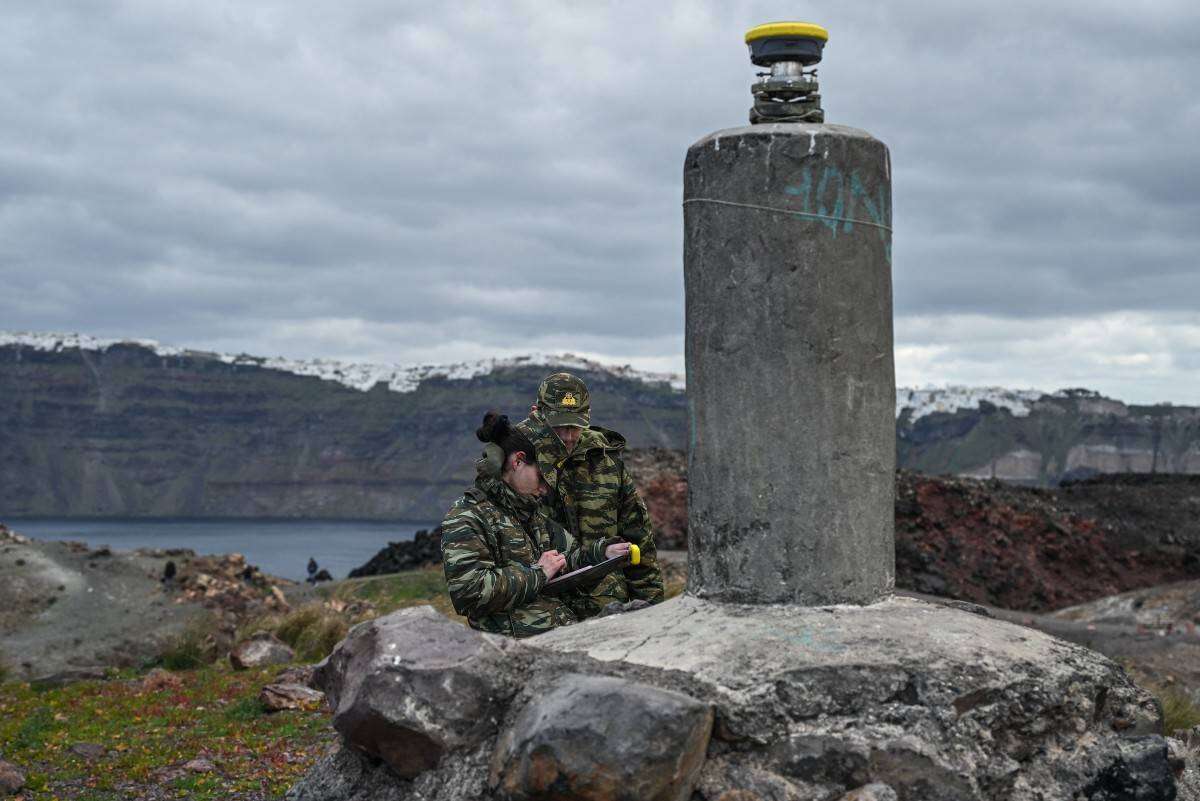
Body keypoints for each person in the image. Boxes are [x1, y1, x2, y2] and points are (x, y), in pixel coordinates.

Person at [441, 410, 631, 637]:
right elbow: (469, 593)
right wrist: (538, 573)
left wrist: (603, 553)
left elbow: (568, 558)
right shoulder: (467, 516)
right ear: (518, 461)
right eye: (541, 478)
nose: (544, 489)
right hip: (514, 650)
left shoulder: (530, 513)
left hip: (561, 636)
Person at [516, 372, 664, 617]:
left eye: (575, 426)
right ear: (537, 413)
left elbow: (638, 538)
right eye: (559, 426)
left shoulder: (605, 460)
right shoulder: (516, 460)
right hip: (540, 613)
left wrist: (650, 610)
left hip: (606, 608)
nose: (568, 436)